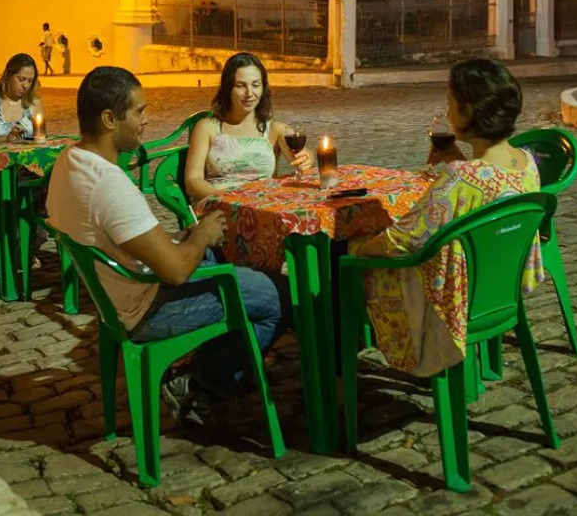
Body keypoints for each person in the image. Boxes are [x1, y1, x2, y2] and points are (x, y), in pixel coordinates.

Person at [46, 66, 290, 426]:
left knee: (231, 264)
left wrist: (187, 239)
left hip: (121, 294)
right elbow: (175, 270)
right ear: (110, 119)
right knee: (281, 295)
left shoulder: (70, 161)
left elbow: (136, 241)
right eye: (139, 111)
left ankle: (220, 362)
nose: (146, 121)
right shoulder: (109, 184)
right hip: (150, 307)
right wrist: (203, 233)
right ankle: (204, 382)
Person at [348, 58, 544, 377]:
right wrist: (461, 162)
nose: (447, 113)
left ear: (470, 111)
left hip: (447, 303)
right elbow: (486, 193)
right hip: (494, 290)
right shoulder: (526, 164)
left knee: (343, 259)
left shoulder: (458, 178)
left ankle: (336, 365)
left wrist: (358, 251)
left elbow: (404, 240)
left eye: (451, 104)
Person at [185, 52, 312, 201]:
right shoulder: (207, 128)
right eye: (241, 86)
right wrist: (228, 201)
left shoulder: (273, 130)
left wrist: (307, 157)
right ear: (228, 88)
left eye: (255, 85)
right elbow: (193, 181)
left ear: (263, 88)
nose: (249, 93)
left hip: (262, 209)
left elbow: (300, 155)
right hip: (219, 209)